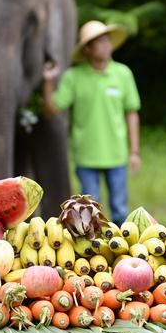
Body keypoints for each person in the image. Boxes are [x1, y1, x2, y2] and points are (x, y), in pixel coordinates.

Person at [42, 21, 141, 224]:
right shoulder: (74, 77)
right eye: (99, 42)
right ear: (87, 48)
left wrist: (134, 152)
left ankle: (123, 252)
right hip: (86, 156)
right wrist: (49, 82)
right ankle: (94, 252)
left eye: (107, 41)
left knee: (120, 210)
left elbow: (132, 113)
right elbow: (52, 109)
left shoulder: (123, 74)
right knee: (90, 213)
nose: (106, 45)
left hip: (116, 155)